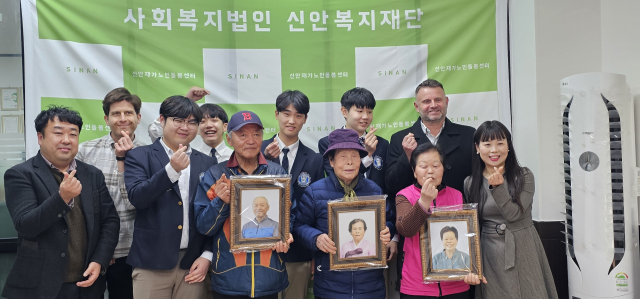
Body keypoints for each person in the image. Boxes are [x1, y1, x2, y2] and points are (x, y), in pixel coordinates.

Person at [2, 106, 120, 299]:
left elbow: (110, 221)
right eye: (58, 133)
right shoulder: (21, 174)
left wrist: (100, 260)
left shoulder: (92, 174)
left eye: (73, 134)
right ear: (40, 138)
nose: (66, 140)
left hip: (87, 285)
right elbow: (26, 226)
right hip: (40, 286)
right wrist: (62, 198)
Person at [386, 79, 475, 291]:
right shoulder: (400, 138)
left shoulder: (469, 135)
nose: (433, 105)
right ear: (417, 107)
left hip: (458, 232)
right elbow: (390, 185)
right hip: (416, 238)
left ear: (446, 102)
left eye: (438, 99)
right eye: (426, 101)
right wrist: (407, 157)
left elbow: (476, 182)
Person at [124, 96, 217, 299]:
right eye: (178, 120)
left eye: (192, 122)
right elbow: (138, 198)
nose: (185, 127)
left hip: (192, 263)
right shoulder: (139, 155)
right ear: (162, 120)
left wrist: (207, 255)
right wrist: (171, 170)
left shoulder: (208, 163)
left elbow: (214, 213)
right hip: (151, 263)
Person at [194, 110, 293, 299]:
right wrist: (220, 202)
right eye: (242, 134)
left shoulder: (278, 173)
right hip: (229, 276)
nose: (251, 140)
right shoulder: (216, 175)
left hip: (269, 276)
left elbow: (290, 216)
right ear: (229, 140)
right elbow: (203, 227)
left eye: (256, 134)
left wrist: (287, 235)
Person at [465, 120, 558, 299]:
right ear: (477, 148)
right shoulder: (470, 183)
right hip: (489, 252)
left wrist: (498, 188)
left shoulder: (524, 176)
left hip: (523, 245)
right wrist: (473, 265)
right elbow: (472, 226)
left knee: (531, 292)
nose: (494, 150)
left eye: (500, 143)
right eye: (487, 144)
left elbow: (514, 215)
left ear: (508, 146)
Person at [294, 129, 391, 299]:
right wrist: (315, 238)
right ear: (331, 161)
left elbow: (389, 220)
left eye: (354, 156)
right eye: (343, 157)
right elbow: (299, 226)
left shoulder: (374, 190)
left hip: (370, 286)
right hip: (330, 286)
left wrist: (387, 231)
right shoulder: (315, 192)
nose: (350, 162)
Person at [75, 87, 144, 299]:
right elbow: (78, 203)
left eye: (128, 113)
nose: (122, 118)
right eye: (116, 113)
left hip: (130, 250)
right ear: (106, 119)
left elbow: (138, 204)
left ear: (138, 117)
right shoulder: (86, 151)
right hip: (91, 250)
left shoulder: (147, 154)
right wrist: (101, 249)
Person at [317, 87, 397, 262]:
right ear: (344, 112)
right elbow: (337, 179)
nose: (365, 116)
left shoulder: (382, 144)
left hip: (375, 227)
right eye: (359, 111)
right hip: (341, 227)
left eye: (369, 111)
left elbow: (388, 188)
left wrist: (393, 235)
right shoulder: (327, 143)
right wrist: (366, 155)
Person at [395, 143, 483, 299]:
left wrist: (473, 270)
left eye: (436, 165)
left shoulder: (457, 195)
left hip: (456, 283)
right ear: (414, 171)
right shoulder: (404, 196)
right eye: (423, 166)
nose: (430, 171)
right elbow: (405, 230)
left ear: (443, 168)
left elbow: (468, 237)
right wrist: (423, 202)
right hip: (416, 286)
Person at [261, 90, 324, 299]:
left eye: (298, 115)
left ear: (305, 119)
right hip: (260, 248)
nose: (291, 120)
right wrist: (264, 160)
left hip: (299, 251)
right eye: (286, 114)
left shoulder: (315, 159)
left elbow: (317, 209)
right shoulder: (257, 152)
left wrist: (315, 252)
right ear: (276, 114)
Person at [149, 87, 233, 162]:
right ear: (197, 129)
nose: (208, 125)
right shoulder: (185, 154)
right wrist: (186, 101)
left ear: (225, 127)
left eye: (214, 120)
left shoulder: (236, 156)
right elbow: (155, 132)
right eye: (202, 121)